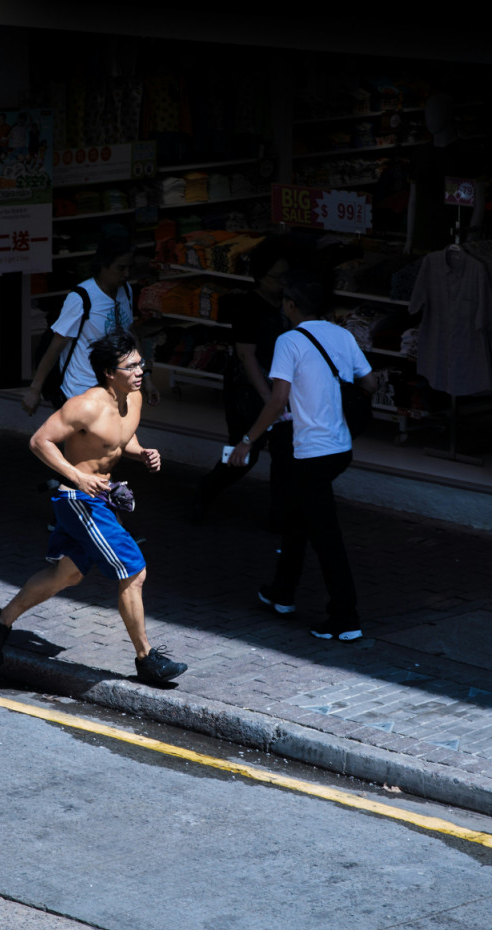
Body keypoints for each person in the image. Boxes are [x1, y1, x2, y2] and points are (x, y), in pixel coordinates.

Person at [0, 330, 187, 685]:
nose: (140, 371)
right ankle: (146, 659)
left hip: (102, 497)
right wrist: (76, 475)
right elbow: (39, 441)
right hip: (78, 499)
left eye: (142, 363)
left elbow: (122, 439)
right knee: (133, 571)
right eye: (131, 366)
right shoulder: (85, 406)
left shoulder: (133, 397)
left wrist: (142, 453)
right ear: (109, 372)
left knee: (69, 574)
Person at [229, 267, 386, 641]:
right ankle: (281, 592)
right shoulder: (342, 335)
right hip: (338, 448)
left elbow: (278, 398)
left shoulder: (289, 340)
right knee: (298, 518)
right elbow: (370, 381)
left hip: (310, 450)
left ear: (291, 304)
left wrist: (247, 439)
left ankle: (345, 617)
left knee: (325, 535)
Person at [192, 240, 292, 524]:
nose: (282, 282)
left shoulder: (285, 304)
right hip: (248, 391)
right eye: (277, 277)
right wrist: (268, 398)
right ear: (261, 276)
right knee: (244, 450)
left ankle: (279, 514)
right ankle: (207, 488)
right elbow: (246, 356)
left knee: (285, 453)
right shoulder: (249, 307)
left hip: (277, 389)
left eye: (285, 276)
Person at [22, 234, 157, 414]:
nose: (126, 274)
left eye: (129, 268)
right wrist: (34, 390)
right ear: (103, 265)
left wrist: (146, 378)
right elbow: (55, 347)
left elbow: (131, 336)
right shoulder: (82, 298)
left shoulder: (126, 291)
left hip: (114, 392)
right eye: (120, 268)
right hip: (81, 394)